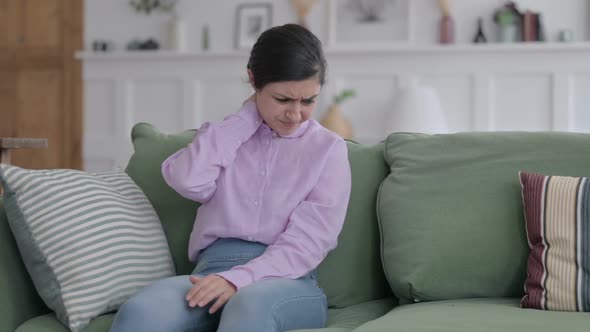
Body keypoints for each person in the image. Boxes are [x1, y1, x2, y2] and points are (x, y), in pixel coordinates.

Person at [109, 23, 352, 332]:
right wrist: (244, 119)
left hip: (285, 282)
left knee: (247, 304)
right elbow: (186, 180)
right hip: (208, 276)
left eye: (308, 101)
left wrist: (237, 280)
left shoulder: (328, 150)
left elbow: (308, 244)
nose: (295, 114)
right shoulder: (225, 138)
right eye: (282, 100)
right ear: (253, 80)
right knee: (140, 312)